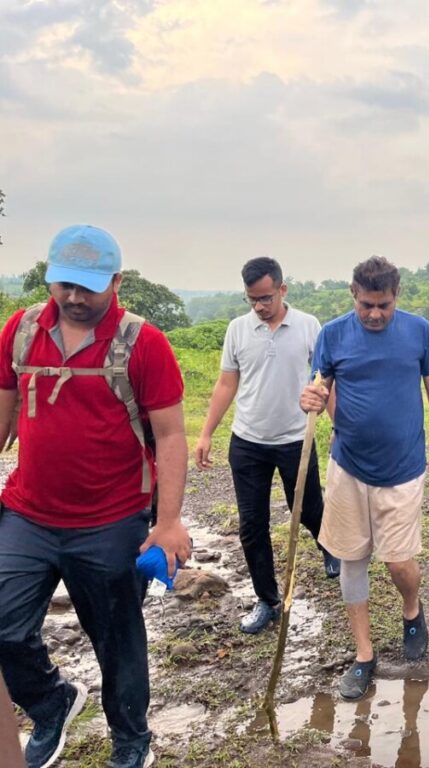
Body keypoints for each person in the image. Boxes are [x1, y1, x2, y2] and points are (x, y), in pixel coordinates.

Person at [0, 224, 191, 768]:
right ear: (49, 277)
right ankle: (51, 701)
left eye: (88, 286)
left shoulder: (143, 342)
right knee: (5, 628)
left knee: (117, 642)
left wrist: (169, 520)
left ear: (116, 280)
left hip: (112, 519)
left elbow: (172, 435)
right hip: (28, 514)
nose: (75, 298)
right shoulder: (21, 330)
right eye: (64, 285)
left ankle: (131, 742)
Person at [300, 256, 429, 701]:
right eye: (367, 304)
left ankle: (412, 610)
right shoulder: (332, 335)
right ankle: (364, 655)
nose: (374, 314)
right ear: (353, 294)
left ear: (396, 296)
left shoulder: (418, 331)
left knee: (399, 561)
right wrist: (313, 398)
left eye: (383, 305)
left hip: (403, 468)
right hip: (347, 466)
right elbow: (319, 385)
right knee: (351, 558)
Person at [194, 257, 340, 635]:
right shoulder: (238, 330)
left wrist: (338, 424)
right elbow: (227, 383)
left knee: (307, 509)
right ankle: (268, 600)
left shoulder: (309, 326)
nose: (259, 306)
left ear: (282, 289)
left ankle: (330, 549)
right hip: (248, 442)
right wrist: (207, 432)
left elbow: (325, 382)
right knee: (252, 525)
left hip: (296, 440)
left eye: (266, 298)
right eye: (252, 299)